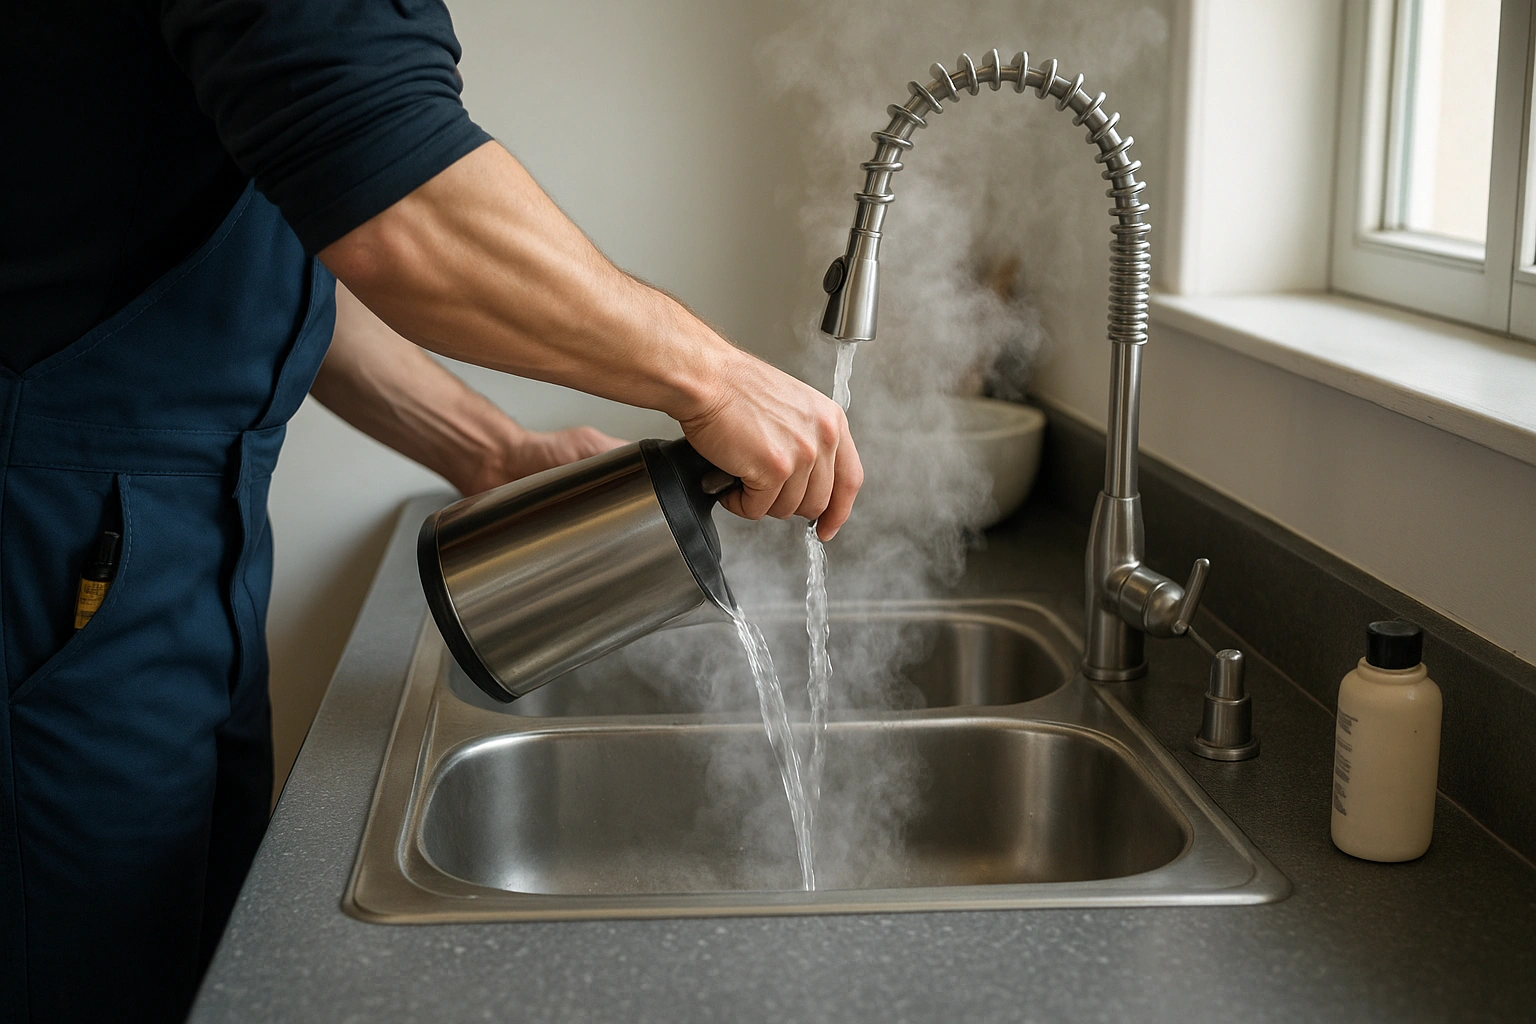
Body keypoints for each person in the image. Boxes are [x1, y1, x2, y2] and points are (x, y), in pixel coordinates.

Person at [0, 1, 862, 1020]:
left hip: (163, 541)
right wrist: (710, 377)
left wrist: (485, 448)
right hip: (50, 536)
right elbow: (395, 213)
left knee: (177, 959)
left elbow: (286, 247)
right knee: (81, 979)